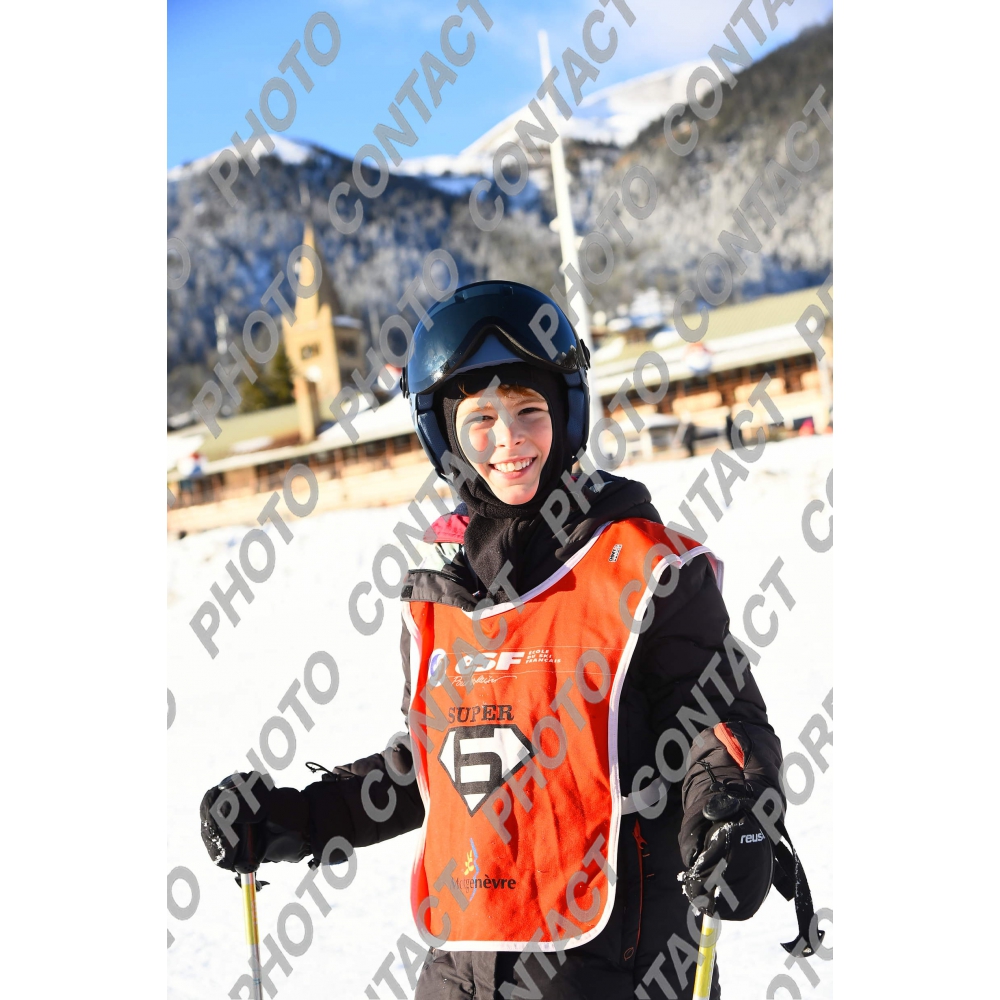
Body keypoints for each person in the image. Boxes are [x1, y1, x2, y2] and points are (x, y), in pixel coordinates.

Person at [200, 281, 819, 999]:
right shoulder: (446, 600)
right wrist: (297, 818)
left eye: (530, 411)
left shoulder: (646, 569)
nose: (509, 439)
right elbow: (434, 768)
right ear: (447, 439)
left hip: (616, 972)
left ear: (567, 414)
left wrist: (734, 808)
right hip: (462, 973)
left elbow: (718, 723)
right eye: (481, 420)